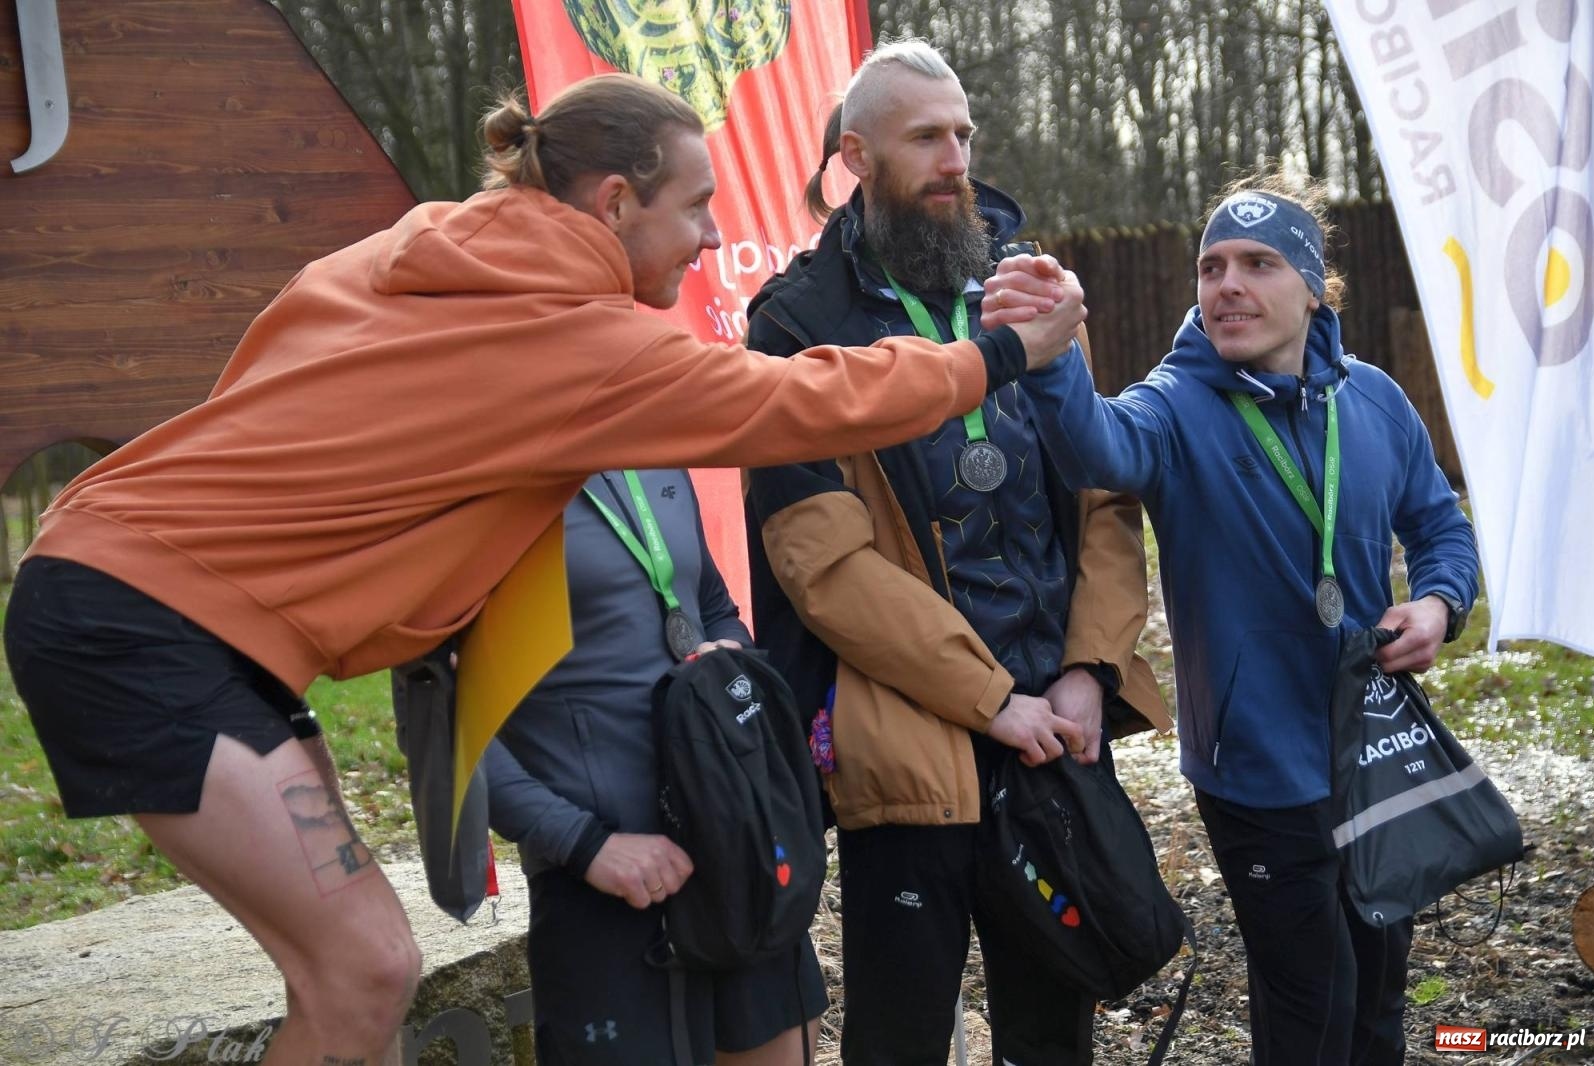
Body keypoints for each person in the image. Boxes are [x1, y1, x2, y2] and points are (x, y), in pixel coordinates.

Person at [0, 73, 1091, 1065]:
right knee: (365, 968)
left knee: (349, 981)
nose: (715, 235)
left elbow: (262, 376)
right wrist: (999, 354)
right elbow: (796, 400)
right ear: (614, 203)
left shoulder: (406, 250)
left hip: (148, 584)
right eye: (696, 206)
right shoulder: (572, 340)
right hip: (139, 615)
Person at [984, 174, 1480, 1065]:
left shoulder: (1372, 400)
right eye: (1211, 267)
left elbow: (1441, 526)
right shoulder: (1177, 404)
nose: (1228, 286)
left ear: (1313, 285)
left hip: (1371, 749)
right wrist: (1054, 357)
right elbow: (1096, 445)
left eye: (1258, 264)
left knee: (1378, 994)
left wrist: (1440, 602)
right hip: (1255, 766)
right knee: (1311, 1003)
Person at [742, 41, 1170, 1066]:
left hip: (1052, 733)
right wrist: (990, 699)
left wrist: (1088, 670)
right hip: (907, 741)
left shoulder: (1029, 287)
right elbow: (825, 568)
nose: (956, 160)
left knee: (1052, 1036)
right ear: (857, 156)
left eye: (965, 135)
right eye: (927, 137)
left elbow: (1104, 500)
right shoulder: (796, 325)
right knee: (899, 1038)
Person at [482, 468, 823, 1066]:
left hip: (730, 842)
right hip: (608, 876)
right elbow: (442, 730)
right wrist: (583, 844)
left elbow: (710, 605)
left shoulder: (652, 452)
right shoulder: (471, 480)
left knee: (791, 1034)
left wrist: (727, 655)